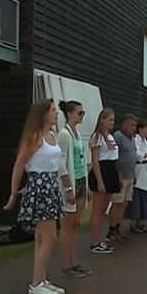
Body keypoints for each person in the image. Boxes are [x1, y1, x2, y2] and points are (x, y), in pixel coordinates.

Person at [4, 99, 65, 294]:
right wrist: (14, 193)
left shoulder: (51, 135)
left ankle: (41, 278)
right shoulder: (35, 137)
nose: (56, 114)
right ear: (43, 114)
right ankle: (36, 283)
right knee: (50, 238)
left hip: (50, 185)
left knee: (42, 237)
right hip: (41, 188)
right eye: (53, 111)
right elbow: (20, 164)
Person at [57, 100, 91, 278]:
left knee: (75, 225)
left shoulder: (77, 134)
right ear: (69, 114)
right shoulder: (64, 134)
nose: (82, 116)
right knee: (67, 225)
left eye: (83, 113)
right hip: (71, 182)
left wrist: (86, 186)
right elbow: (61, 163)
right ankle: (66, 264)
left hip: (80, 180)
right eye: (79, 113)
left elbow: (81, 160)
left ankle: (74, 261)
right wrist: (68, 188)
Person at [87, 109, 119, 254]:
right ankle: (94, 242)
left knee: (104, 210)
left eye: (113, 120)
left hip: (111, 170)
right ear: (102, 120)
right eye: (110, 120)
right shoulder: (97, 137)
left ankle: (99, 239)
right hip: (102, 171)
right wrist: (100, 181)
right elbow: (95, 160)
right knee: (97, 210)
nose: (112, 122)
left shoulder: (110, 137)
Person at [106, 114, 138, 243]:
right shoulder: (118, 137)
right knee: (117, 203)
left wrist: (134, 173)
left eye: (135, 125)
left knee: (124, 204)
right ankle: (112, 229)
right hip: (121, 176)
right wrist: (117, 174)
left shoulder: (132, 138)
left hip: (130, 175)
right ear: (123, 124)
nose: (134, 128)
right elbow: (114, 157)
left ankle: (117, 227)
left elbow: (132, 156)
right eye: (131, 125)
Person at [124, 119, 147, 233]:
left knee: (146, 194)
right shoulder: (135, 140)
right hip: (139, 168)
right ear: (140, 129)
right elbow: (137, 154)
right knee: (136, 194)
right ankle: (133, 222)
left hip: (146, 169)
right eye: (146, 129)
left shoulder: (146, 142)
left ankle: (141, 221)